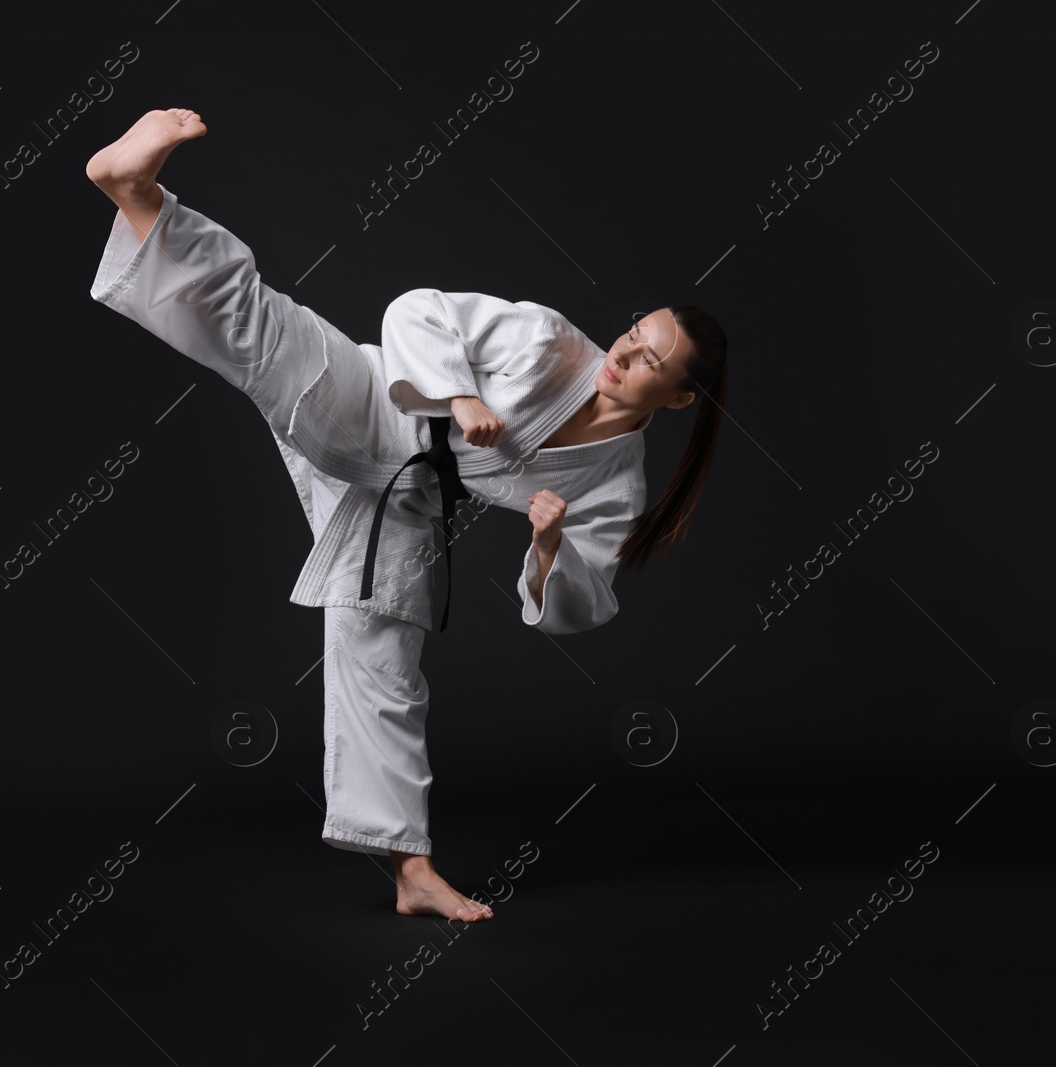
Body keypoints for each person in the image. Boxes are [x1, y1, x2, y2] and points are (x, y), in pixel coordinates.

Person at [86, 109, 730, 922]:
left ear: (675, 398)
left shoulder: (617, 482)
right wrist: (460, 396)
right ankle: (137, 192)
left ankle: (409, 869)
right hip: (376, 404)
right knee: (262, 332)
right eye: (633, 335)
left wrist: (546, 544)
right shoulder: (547, 343)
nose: (623, 357)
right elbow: (416, 308)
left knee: (383, 659)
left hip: (415, 497)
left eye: (649, 364)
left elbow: (583, 600)